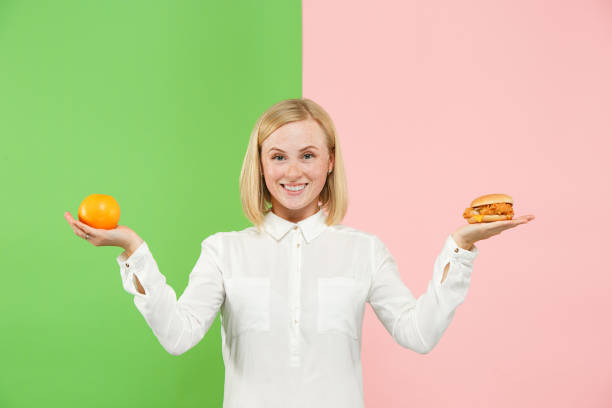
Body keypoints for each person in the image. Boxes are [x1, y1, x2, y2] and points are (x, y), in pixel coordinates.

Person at [64, 98, 535, 408]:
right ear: (261, 164)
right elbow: (178, 336)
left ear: (330, 162)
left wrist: (462, 247)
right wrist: (133, 251)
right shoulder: (224, 251)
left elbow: (419, 334)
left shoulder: (364, 251)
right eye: (278, 156)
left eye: (308, 155)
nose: (293, 171)